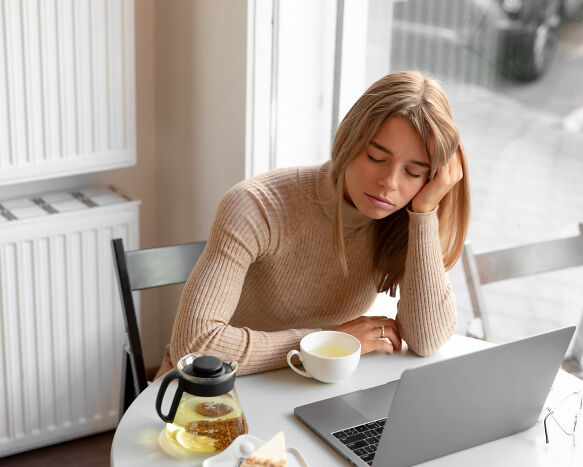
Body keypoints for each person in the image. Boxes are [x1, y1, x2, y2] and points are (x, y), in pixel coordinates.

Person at [156, 71, 470, 377]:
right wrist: (326, 342)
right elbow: (196, 346)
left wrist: (425, 212)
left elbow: (427, 340)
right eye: (376, 157)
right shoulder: (256, 206)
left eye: (414, 172)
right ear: (349, 140)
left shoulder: (398, 220)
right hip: (206, 396)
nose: (389, 183)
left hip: (306, 389)